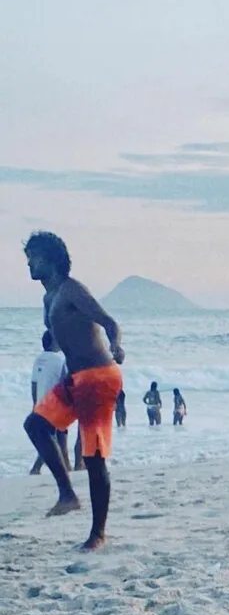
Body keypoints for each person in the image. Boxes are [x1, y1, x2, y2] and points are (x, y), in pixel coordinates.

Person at [22, 231, 125, 551]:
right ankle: (67, 495)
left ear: (52, 259)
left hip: (98, 377)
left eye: (34, 257)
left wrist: (116, 344)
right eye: (28, 257)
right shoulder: (48, 299)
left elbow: (108, 321)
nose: (29, 263)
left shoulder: (72, 290)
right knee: (36, 425)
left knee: (93, 457)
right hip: (75, 378)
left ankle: (98, 534)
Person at [29, 330, 70, 475]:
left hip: (41, 403)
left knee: (54, 436)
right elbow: (66, 381)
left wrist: (35, 404)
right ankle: (36, 468)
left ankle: (65, 466)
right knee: (53, 439)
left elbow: (34, 384)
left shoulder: (38, 359)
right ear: (53, 342)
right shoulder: (59, 360)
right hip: (54, 403)